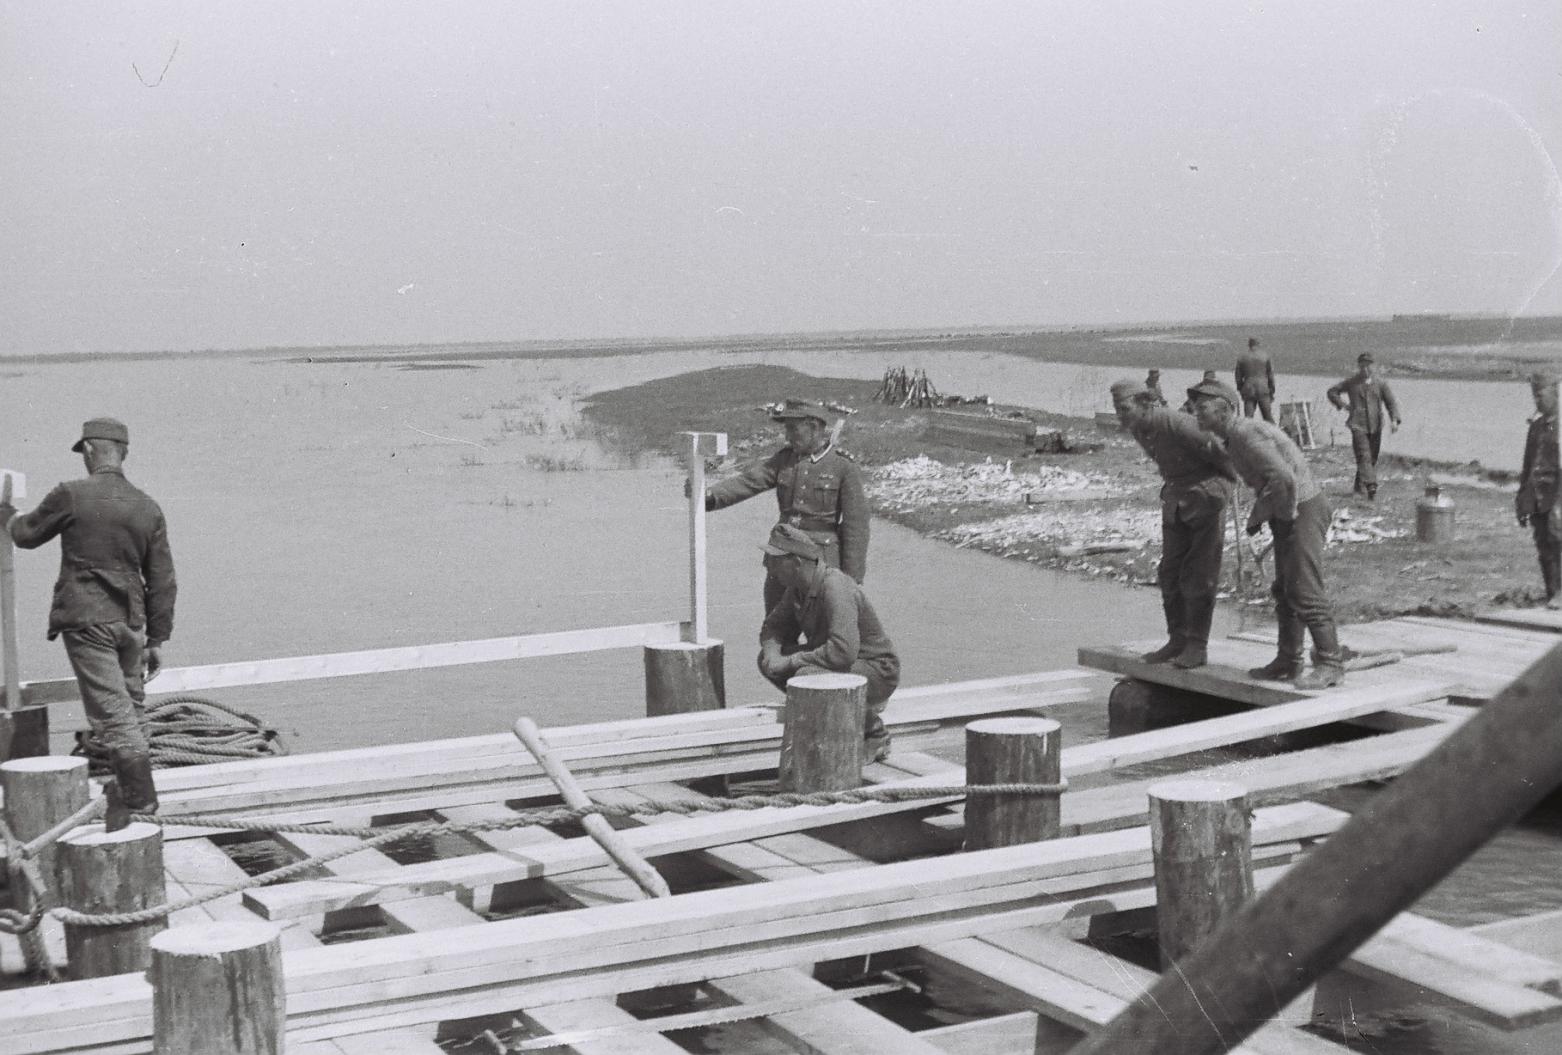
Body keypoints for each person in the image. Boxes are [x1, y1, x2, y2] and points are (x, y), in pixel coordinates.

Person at [0, 418, 176, 819]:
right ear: (123, 453)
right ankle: (129, 800)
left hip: (88, 617)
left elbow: (26, 534)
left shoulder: (71, 495)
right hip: (132, 623)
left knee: (113, 714)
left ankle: (141, 804)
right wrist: (156, 640)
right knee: (131, 709)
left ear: (91, 450)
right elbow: (164, 580)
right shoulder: (147, 506)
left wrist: (7, 514)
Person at [1187, 379, 1344, 689]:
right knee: (1285, 589)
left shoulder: (1245, 434)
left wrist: (1269, 515)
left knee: (1304, 589)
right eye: (1195, 408)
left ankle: (1331, 663)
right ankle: (1289, 660)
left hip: (1302, 508)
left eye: (1202, 408)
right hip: (1290, 508)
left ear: (1224, 410)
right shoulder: (1233, 436)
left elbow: (1284, 478)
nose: (1196, 414)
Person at [1111, 379, 1238, 669]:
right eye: (1117, 409)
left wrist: (1225, 488)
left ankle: (1197, 646)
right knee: (1169, 573)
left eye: (1124, 408)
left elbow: (1225, 455)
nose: (1120, 415)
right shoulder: (1138, 427)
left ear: (1145, 403)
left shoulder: (1178, 423)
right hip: (1177, 499)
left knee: (1200, 573)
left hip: (1206, 497)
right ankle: (1177, 640)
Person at [704, 398, 869, 612]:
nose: (788, 436)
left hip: (822, 564)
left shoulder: (842, 466)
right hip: (782, 559)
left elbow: (856, 526)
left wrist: (851, 578)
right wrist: (709, 496)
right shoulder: (784, 460)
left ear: (813, 427)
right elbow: (750, 481)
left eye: (793, 429)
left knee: (821, 626)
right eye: (787, 429)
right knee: (775, 623)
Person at [757, 523, 899, 760]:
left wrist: (791, 661)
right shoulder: (797, 588)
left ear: (797, 562)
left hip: (876, 669)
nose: (768, 566)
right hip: (837, 662)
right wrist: (772, 655)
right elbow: (773, 627)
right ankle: (830, 710)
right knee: (766, 661)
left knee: (806, 677)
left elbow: (843, 652)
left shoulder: (835, 587)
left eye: (775, 560)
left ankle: (875, 732)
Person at [1326, 353, 1402, 500]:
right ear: (1358, 366)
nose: (1365, 369)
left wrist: (1394, 420)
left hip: (1376, 425)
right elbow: (1332, 392)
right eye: (1362, 366)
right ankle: (1371, 485)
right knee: (1363, 455)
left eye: (1368, 366)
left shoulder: (1381, 383)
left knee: (1371, 458)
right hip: (1357, 424)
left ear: (1373, 366)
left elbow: (1391, 403)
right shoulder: (1352, 382)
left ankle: (1359, 489)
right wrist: (1343, 405)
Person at [1517, 371, 1560, 609]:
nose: (1537, 400)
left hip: (1558, 492)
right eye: (1534, 396)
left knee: (1558, 538)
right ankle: (1552, 592)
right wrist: (1521, 499)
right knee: (1543, 544)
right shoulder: (1536, 427)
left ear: (1555, 392)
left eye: (1540, 395)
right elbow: (1527, 465)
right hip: (1537, 495)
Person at [1234, 337, 1277, 423]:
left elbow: (1238, 377)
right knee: (1268, 417)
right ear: (1258, 344)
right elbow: (1270, 376)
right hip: (1263, 388)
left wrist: (1241, 388)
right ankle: (1272, 432)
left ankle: (1247, 432)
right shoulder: (1265, 356)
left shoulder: (1242, 358)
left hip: (1248, 388)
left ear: (1249, 345)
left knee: (1248, 419)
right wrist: (1272, 390)